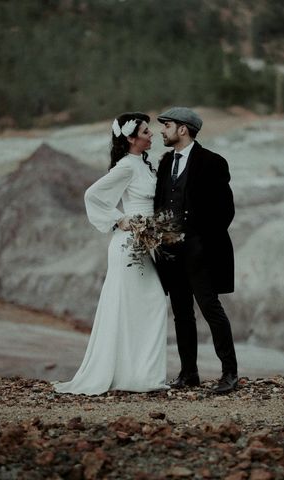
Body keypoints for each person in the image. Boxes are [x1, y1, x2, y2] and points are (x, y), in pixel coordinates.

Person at [52, 112, 168, 395]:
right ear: (130, 139)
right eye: (145, 132)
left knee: (147, 304)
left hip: (144, 244)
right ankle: (135, 376)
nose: (151, 135)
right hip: (128, 245)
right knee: (144, 303)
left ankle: (140, 375)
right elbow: (92, 195)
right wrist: (119, 219)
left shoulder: (143, 164)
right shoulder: (127, 166)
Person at [154, 107, 239, 394]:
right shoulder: (166, 163)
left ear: (183, 129)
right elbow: (162, 204)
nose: (162, 131)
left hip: (201, 251)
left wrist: (202, 243)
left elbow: (225, 210)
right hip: (171, 252)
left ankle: (230, 373)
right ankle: (189, 373)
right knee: (181, 313)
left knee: (211, 309)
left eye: (167, 125)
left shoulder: (212, 162)